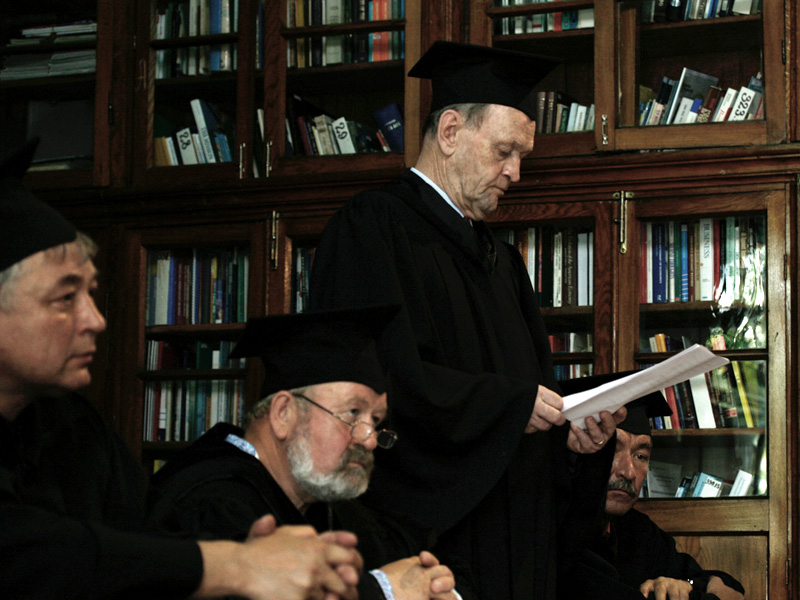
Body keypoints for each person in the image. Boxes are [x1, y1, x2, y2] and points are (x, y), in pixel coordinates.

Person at [308, 41, 625, 600]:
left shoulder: (503, 264)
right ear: (451, 131)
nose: (516, 173)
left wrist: (570, 438)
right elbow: (373, 384)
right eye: (505, 151)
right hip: (429, 542)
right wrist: (510, 406)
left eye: (523, 156)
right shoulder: (373, 228)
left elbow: (530, 397)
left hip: (515, 538)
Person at [0, 139, 363, 600]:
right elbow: (28, 555)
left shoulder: (76, 429)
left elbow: (156, 546)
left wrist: (257, 566)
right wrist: (233, 564)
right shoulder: (215, 488)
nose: (96, 320)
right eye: (65, 297)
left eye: (91, 293)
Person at [146, 306, 461, 600]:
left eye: (376, 421)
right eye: (353, 413)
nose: (369, 440)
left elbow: (418, 557)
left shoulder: (328, 506)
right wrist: (382, 592)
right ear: (283, 413)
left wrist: (436, 585)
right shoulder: (210, 502)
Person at [559, 376, 746, 600]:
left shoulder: (638, 531)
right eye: (613, 450)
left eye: (641, 456)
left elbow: (726, 587)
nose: (629, 472)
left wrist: (686, 584)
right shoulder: (554, 532)